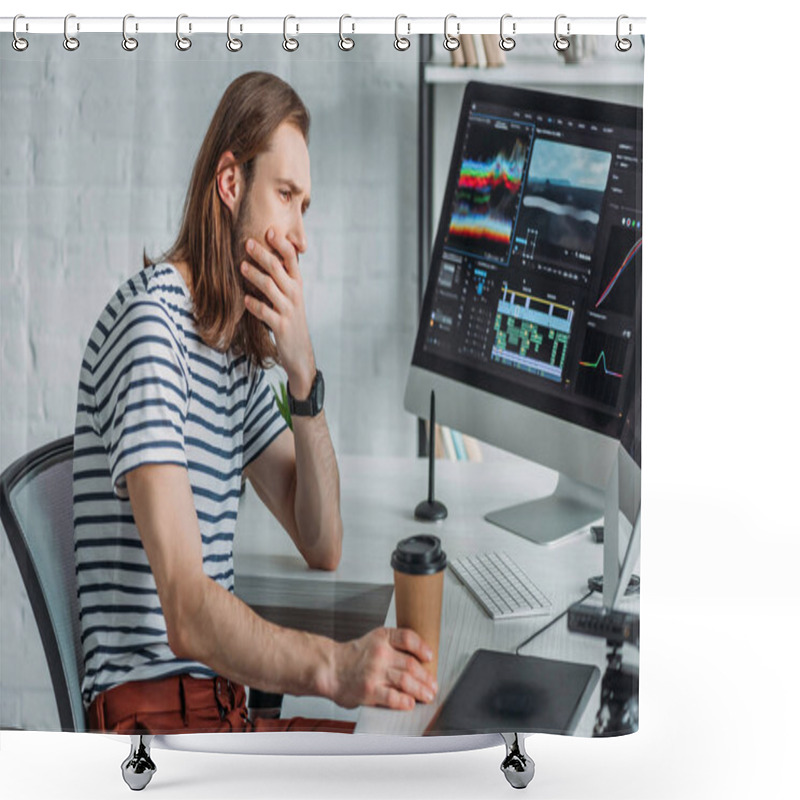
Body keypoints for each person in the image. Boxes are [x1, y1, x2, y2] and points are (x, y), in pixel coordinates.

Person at [72, 71, 437, 735]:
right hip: (155, 727)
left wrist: (304, 376)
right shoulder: (154, 331)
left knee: (423, 748)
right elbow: (184, 609)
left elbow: (322, 542)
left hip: (220, 712)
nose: (299, 235)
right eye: (287, 197)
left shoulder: (228, 347)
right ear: (231, 182)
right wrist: (332, 667)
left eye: (307, 206)